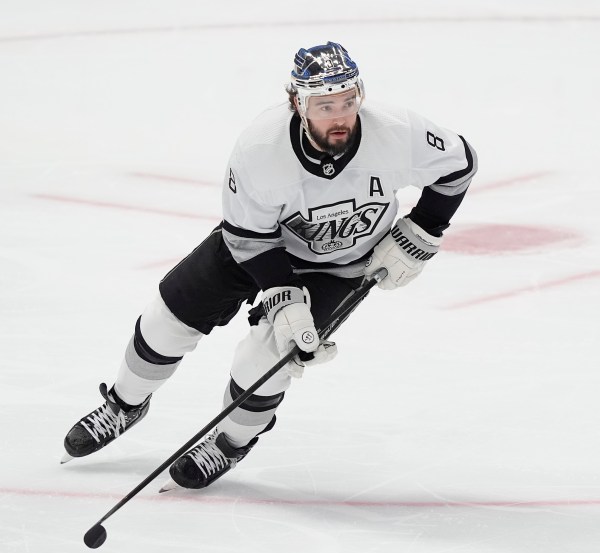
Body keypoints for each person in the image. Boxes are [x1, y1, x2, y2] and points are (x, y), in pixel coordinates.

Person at [62, 41, 478, 490]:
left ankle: (228, 444)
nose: (339, 116)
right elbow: (247, 237)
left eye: (347, 101)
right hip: (258, 247)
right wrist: (283, 296)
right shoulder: (261, 148)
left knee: (268, 360)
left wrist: (424, 229)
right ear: (297, 103)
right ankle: (125, 404)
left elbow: (459, 165)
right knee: (167, 318)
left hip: (340, 265)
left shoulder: (398, 130)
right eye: (324, 105)